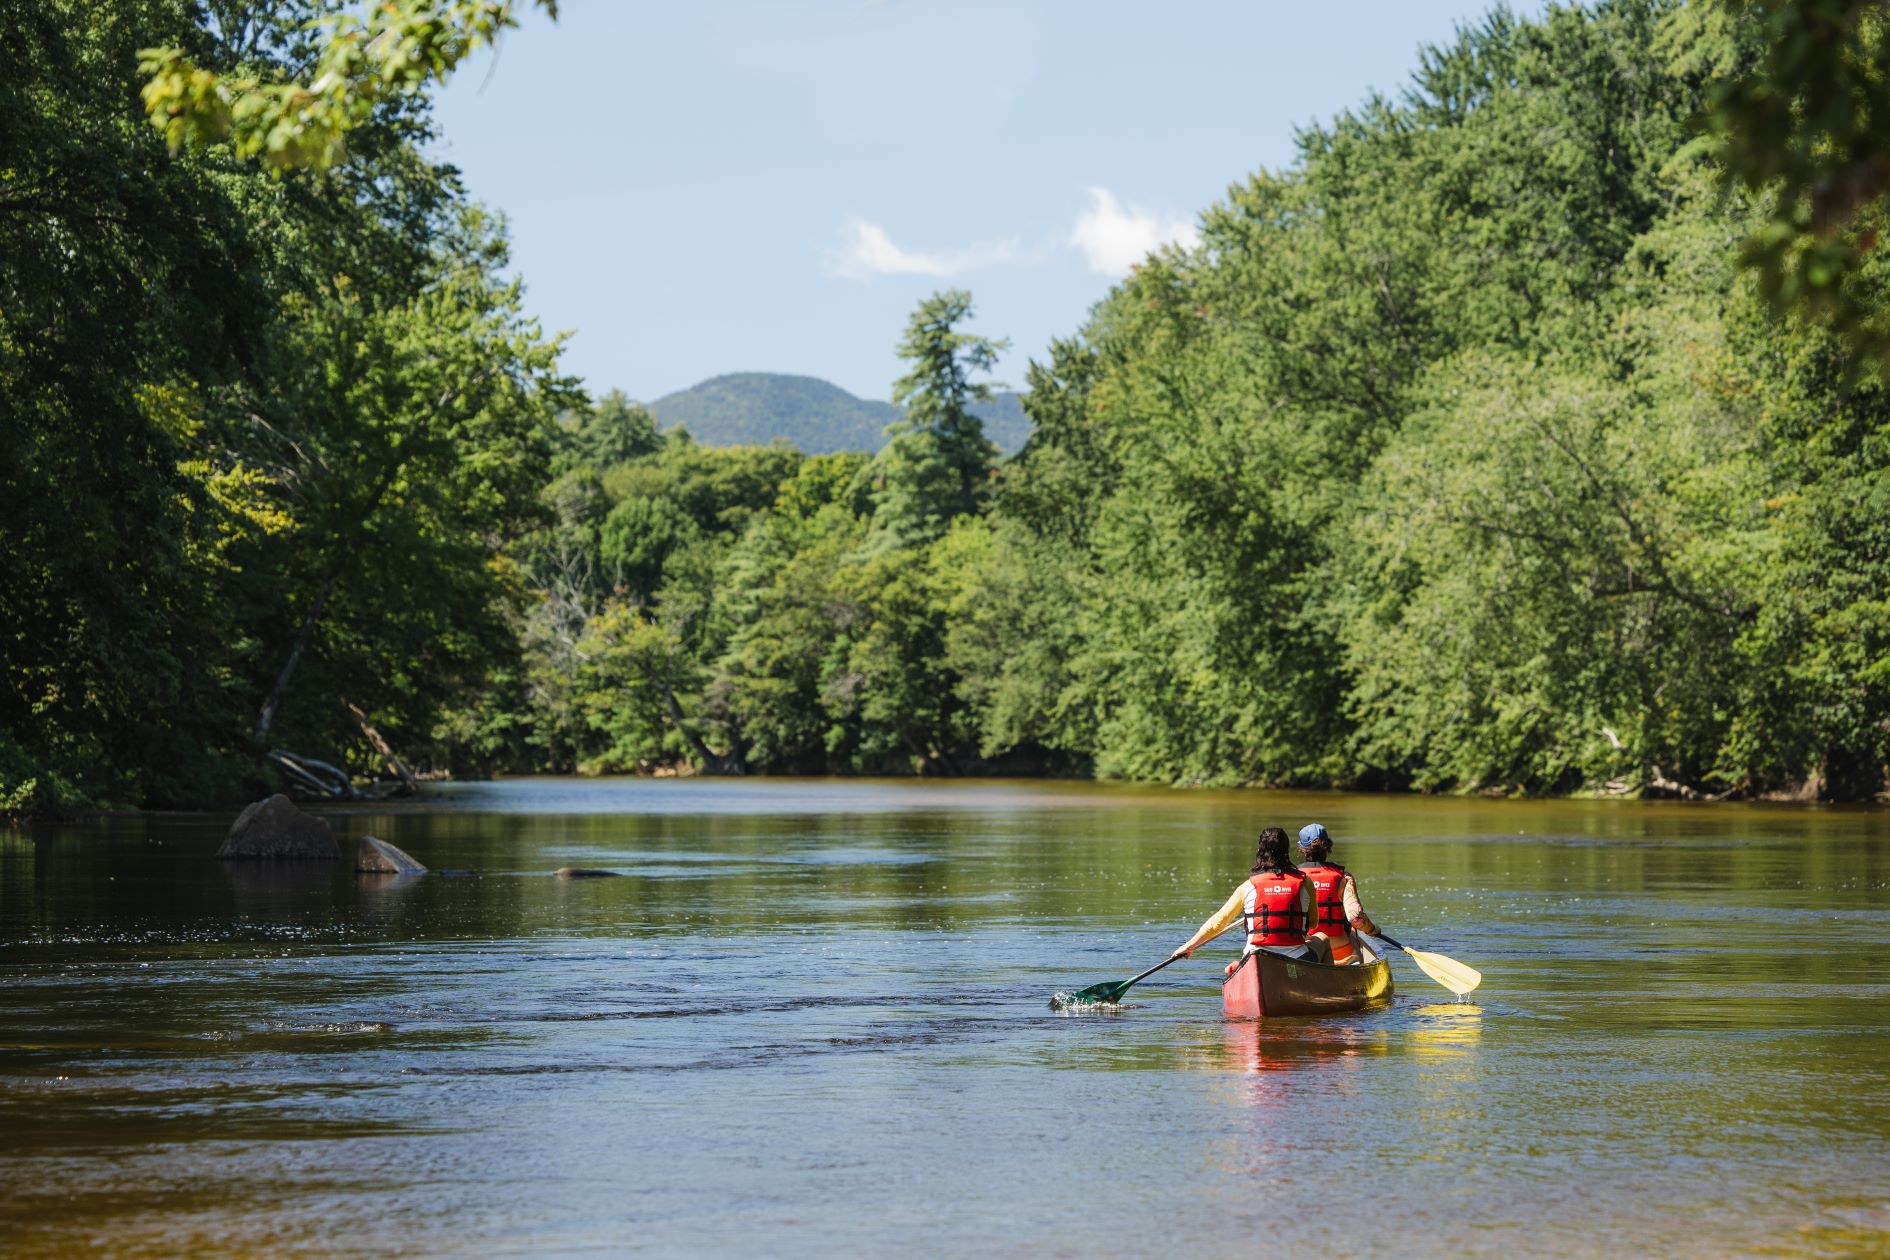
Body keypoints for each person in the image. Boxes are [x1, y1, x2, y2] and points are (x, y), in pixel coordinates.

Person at [1171, 826, 1319, 972]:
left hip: (1256, 958)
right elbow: (1313, 923)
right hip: (1297, 958)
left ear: (1260, 851)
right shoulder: (1305, 882)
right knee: (1320, 941)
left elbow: (1217, 923)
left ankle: (1238, 969)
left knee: (1248, 958)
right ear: (1286, 850)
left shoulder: (1248, 886)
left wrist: (1189, 946)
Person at [1294, 822, 1379, 964]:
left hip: (1304, 950)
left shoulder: (1293, 878)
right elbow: (1356, 918)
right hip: (1341, 950)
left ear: (1302, 849)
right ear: (1327, 847)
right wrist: (1372, 930)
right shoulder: (1343, 877)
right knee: (1352, 933)